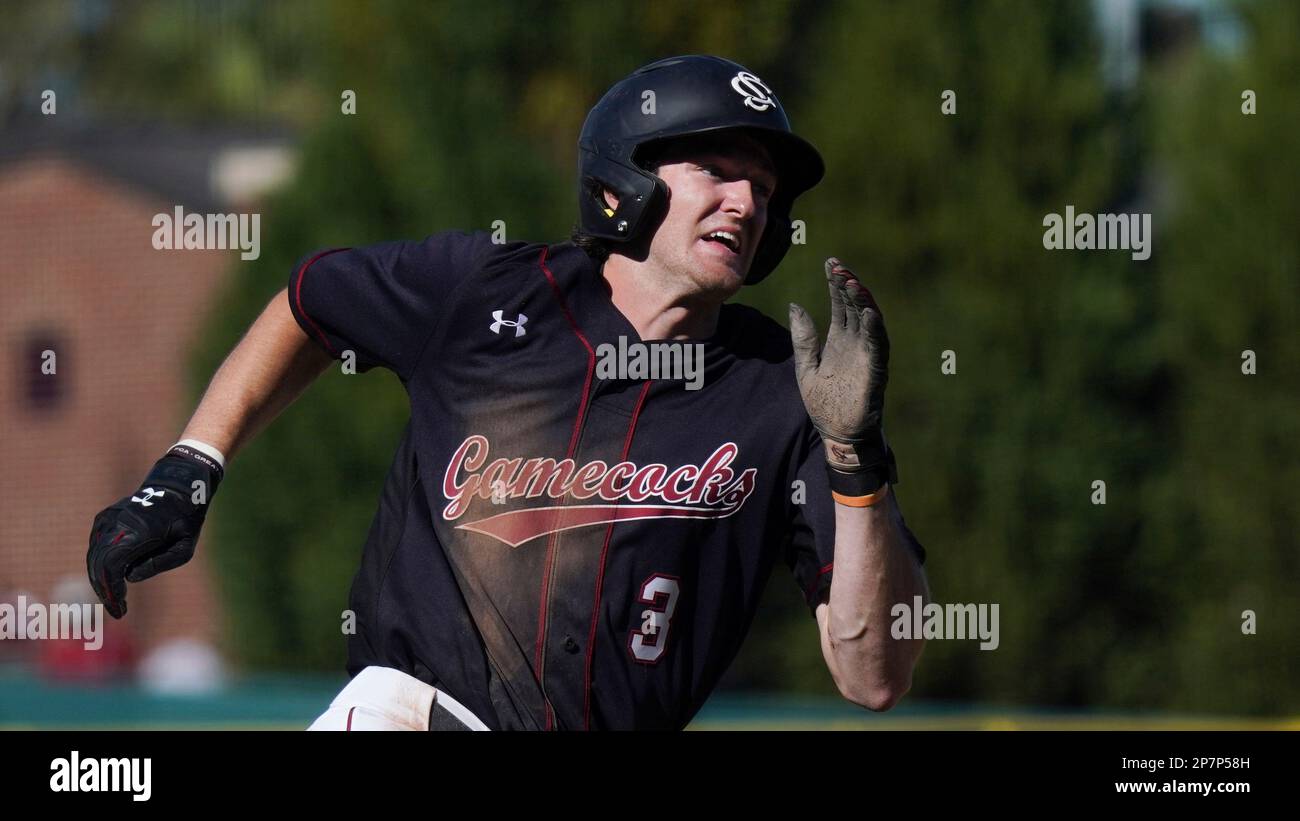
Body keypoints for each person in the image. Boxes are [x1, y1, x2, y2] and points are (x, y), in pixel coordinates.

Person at [87, 54, 929, 731]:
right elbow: (309, 304)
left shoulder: (792, 396)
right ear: (622, 181)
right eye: (716, 168)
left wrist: (856, 466)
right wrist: (192, 464)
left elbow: (874, 676)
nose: (746, 202)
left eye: (766, 191)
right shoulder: (487, 292)